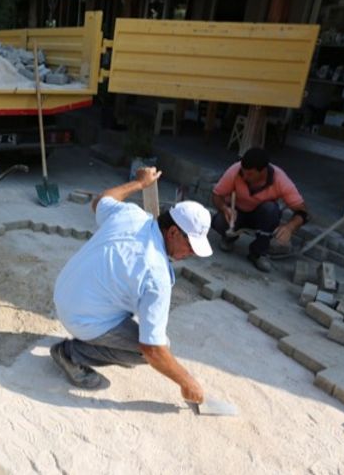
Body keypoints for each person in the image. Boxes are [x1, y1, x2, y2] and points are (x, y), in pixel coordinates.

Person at [50, 167, 210, 405]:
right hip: (82, 319)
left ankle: (84, 338)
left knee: (152, 341)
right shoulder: (157, 276)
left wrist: (139, 183)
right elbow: (152, 349)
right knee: (156, 349)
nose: (192, 254)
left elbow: (101, 201)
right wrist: (187, 381)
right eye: (191, 246)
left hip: (63, 294)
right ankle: (71, 353)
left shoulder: (132, 215)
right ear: (174, 232)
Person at [211, 148, 308, 272]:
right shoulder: (235, 170)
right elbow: (216, 195)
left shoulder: (280, 180)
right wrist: (224, 208)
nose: (245, 177)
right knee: (219, 221)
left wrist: (290, 227)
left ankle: (258, 253)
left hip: (261, 217)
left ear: (263, 171)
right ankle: (229, 238)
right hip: (237, 213)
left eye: (250, 174)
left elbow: (303, 212)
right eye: (244, 172)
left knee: (271, 209)